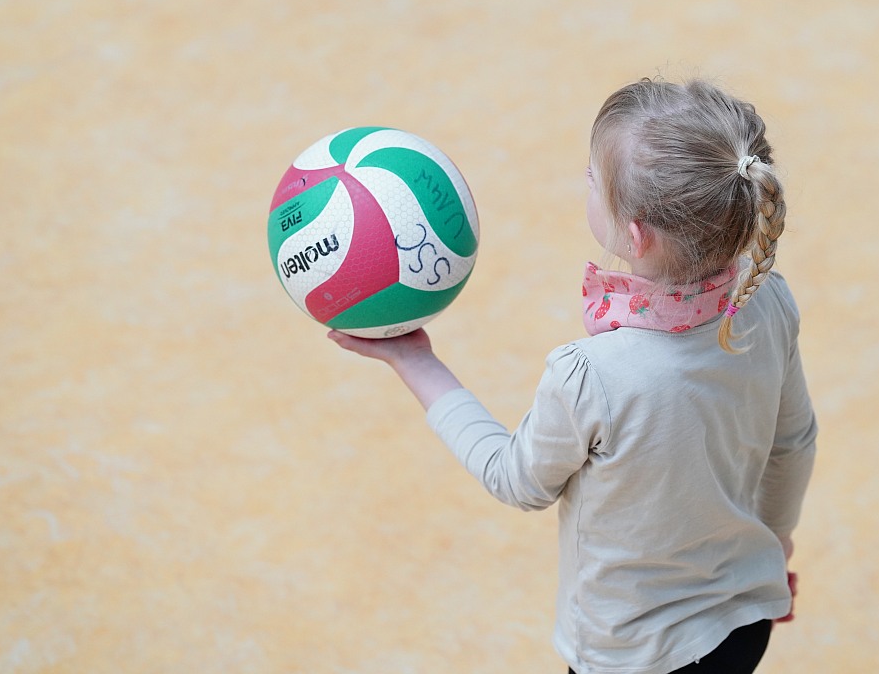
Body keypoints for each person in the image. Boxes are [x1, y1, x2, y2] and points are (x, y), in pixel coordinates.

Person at [329, 77, 818, 674]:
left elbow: (516, 480)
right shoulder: (768, 302)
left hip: (630, 657)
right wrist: (777, 543)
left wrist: (415, 361)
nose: (585, 180)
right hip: (743, 624)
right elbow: (793, 443)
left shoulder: (592, 376)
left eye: (592, 178)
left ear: (634, 235)